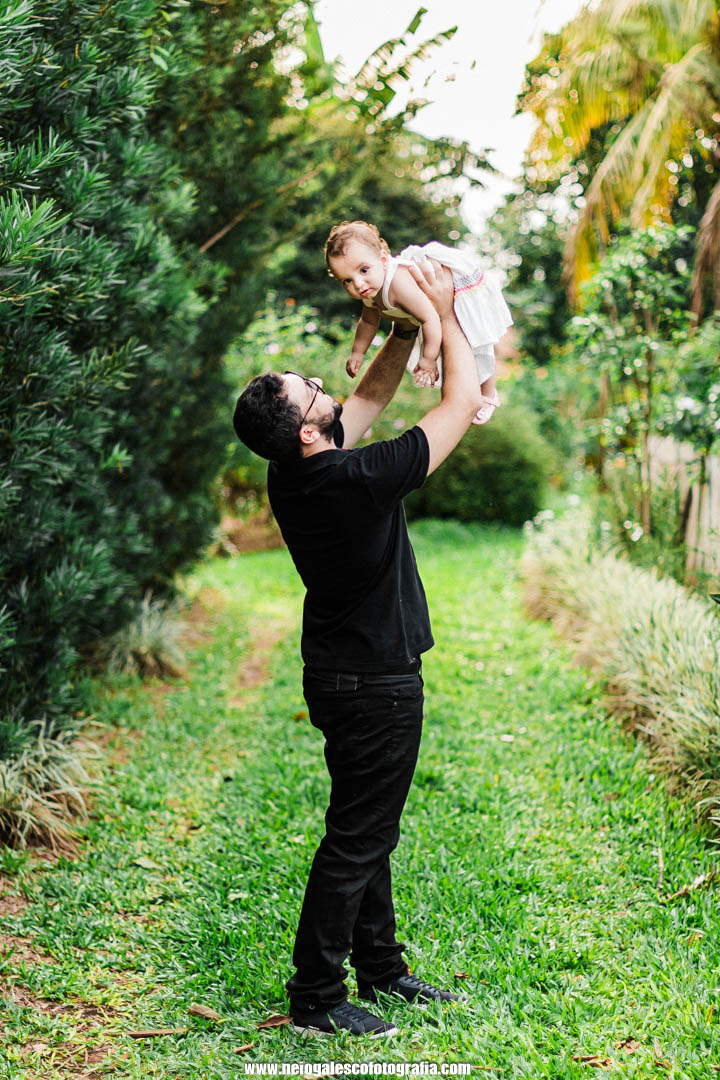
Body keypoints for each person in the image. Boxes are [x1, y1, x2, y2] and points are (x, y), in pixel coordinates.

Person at [232, 261, 485, 1039]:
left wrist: (404, 332)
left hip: (338, 677)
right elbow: (460, 403)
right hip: (376, 684)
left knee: (363, 822)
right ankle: (316, 996)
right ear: (310, 431)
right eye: (310, 390)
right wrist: (445, 311)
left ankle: (380, 966)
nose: (321, 383)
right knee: (359, 837)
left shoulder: (294, 472)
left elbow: (365, 400)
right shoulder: (360, 479)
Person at [324, 220, 513, 424]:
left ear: (383, 259)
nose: (358, 284)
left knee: (476, 340)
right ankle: (472, 389)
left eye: (363, 270)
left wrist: (429, 359)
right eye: (347, 280)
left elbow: (430, 318)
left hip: (451, 291)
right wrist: (358, 352)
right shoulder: (370, 291)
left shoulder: (398, 284)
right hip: (429, 311)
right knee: (453, 353)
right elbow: (368, 322)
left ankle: (488, 392)